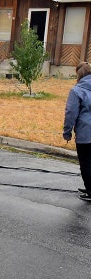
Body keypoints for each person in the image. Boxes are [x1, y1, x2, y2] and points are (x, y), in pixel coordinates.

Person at [63, 62, 91, 201]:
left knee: (86, 163)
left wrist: (67, 132)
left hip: (86, 133)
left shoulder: (77, 90)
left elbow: (71, 113)